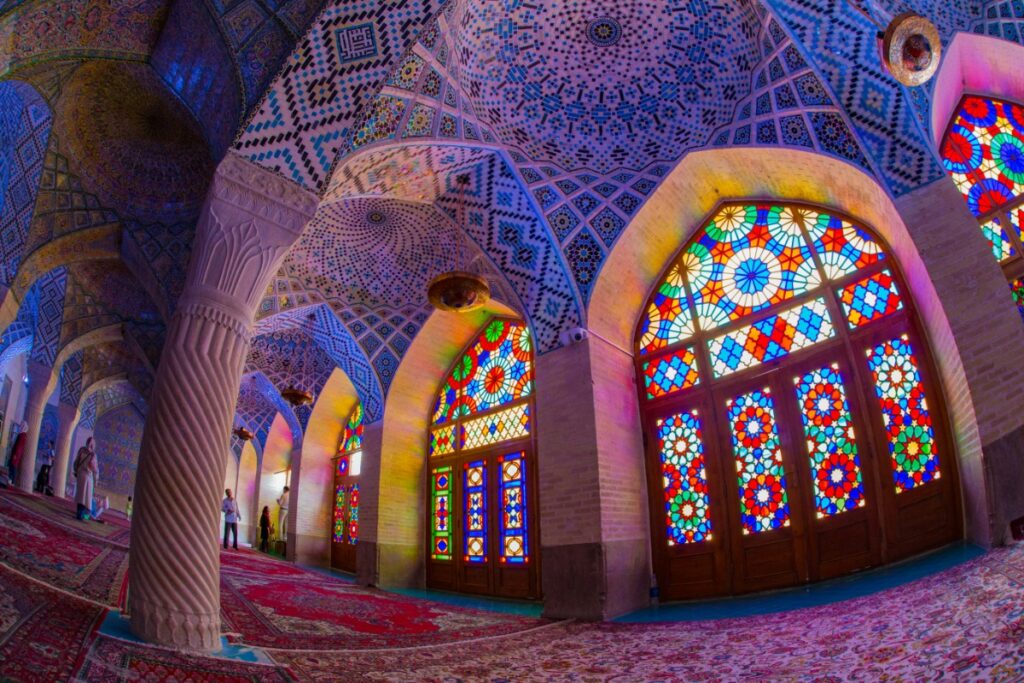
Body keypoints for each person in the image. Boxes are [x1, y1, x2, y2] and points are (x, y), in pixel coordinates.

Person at [73, 437, 98, 521]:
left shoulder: (81, 450)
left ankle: (79, 514)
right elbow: (94, 468)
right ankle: (81, 515)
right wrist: (96, 480)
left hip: (80, 474)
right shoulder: (93, 455)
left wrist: (76, 470)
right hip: (87, 476)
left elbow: (76, 462)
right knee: (85, 497)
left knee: (80, 495)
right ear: (92, 444)